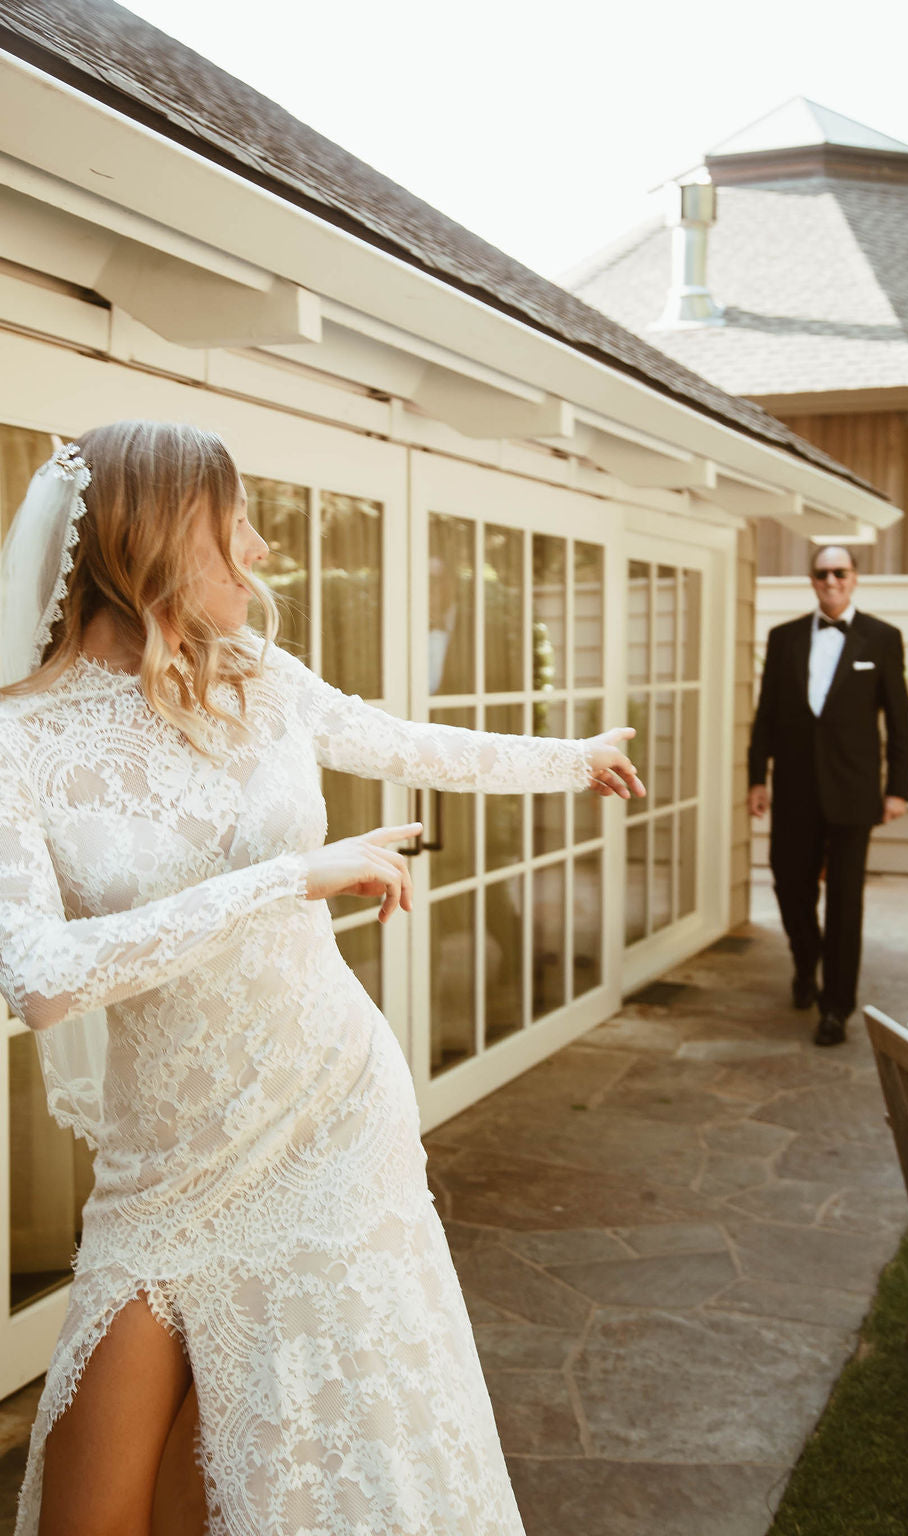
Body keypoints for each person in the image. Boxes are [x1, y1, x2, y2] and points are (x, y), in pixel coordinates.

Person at [0, 421, 645, 1536]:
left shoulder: (260, 681)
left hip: (332, 1112)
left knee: (291, 1466)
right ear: (150, 539)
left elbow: (402, 742)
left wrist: (568, 760)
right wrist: (289, 877)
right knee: (93, 1512)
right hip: (168, 1159)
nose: (260, 548)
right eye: (234, 522)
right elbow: (44, 981)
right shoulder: (17, 741)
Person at [747, 544, 908, 1046]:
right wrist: (758, 777)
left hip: (854, 792)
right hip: (795, 790)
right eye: (822, 573)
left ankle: (835, 1006)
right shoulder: (785, 638)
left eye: (840, 572)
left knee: (845, 901)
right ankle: (806, 959)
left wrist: (897, 789)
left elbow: (899, 719)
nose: (831, 581)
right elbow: (767, 715)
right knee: (789, 885)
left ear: (855, 578)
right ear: (813, 581)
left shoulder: (882, 639)